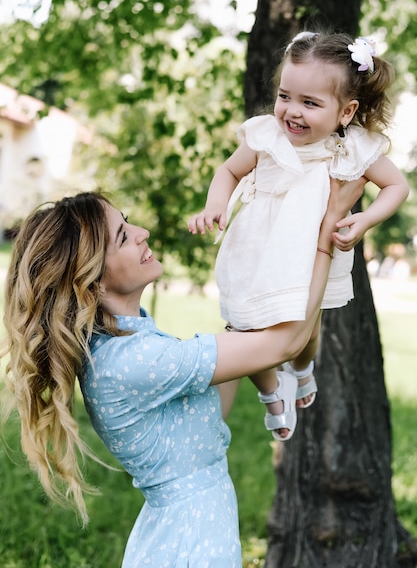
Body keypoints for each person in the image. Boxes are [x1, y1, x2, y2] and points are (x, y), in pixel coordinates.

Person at [2, 179, 364, 567]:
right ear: (91, 278)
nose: (142, 233)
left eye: (127, 222)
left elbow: (205, 419)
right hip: (191, 546)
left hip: (192, 534)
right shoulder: (132, 360)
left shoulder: (126, 344)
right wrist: (326, 231)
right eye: (123, 236)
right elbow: (286, 344)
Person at [188, 30, 409, 442]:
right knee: (248, 328)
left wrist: (366, 221)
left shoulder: (353, 147)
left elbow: (397, 187)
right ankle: (272, 390)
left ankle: (303, 370)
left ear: (346, 112)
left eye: (310, 103)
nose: (292, 111)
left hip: (309, 257)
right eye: (285, 96)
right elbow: (229, 171)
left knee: (306, 335)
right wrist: (215, 204)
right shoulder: (266, 136)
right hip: (256, 250)